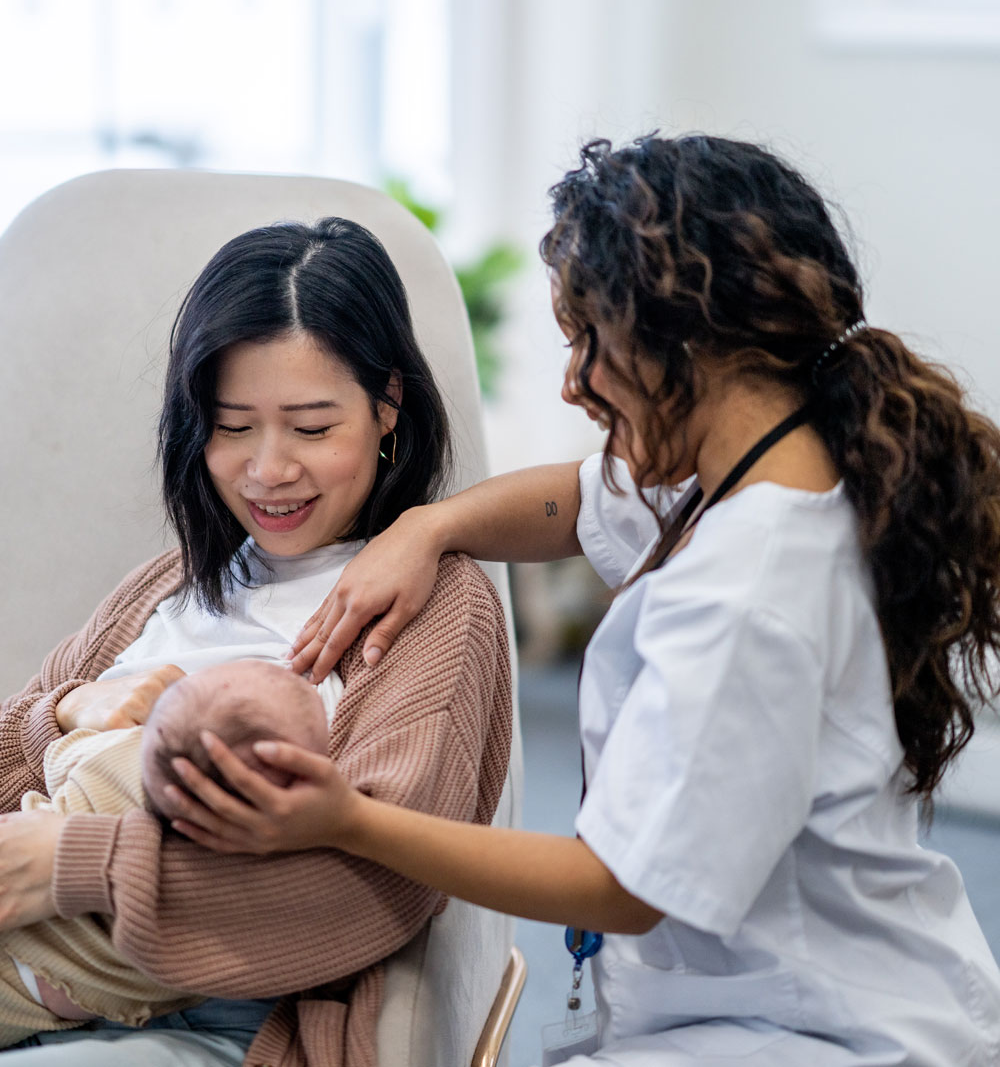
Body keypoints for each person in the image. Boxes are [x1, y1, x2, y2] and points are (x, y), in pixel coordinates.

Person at [166, 135, 1000, 1066]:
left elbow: (620, 885)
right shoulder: (756, 465)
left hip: (821, 1030)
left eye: (588, 343)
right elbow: (575, 495)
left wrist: (347, 819)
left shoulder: (754, 589)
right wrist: (426, 530)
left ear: (684, 342)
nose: (572, 383)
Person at [0, 216, 512, 1067]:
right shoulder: (161, 587)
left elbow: (374, 885)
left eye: (312, 428)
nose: (267, 470)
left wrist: (73, 859)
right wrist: (68, 709)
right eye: (232, 426)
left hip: (203, 1022)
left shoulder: (434, 610)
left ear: (387, 407)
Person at [1, 660, 329, 1046]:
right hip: (44, 985)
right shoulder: (237, 878)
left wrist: (72, 735)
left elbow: (55, 758)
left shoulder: (110, 750)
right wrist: (68, 703)